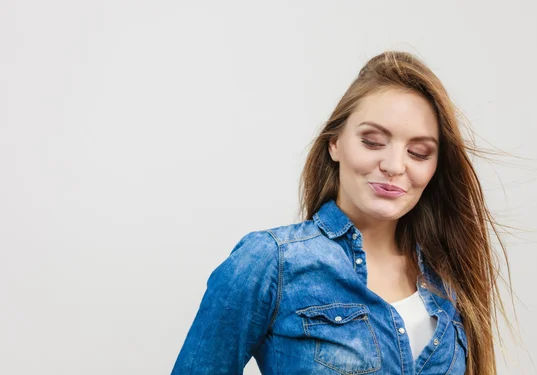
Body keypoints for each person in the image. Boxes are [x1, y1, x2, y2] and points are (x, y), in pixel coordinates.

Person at [170, 51, 512, 375]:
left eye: (419, 153)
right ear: (334, 143)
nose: (394, 166)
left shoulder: (447, 274)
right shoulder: (271, 261)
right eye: (373, 142)